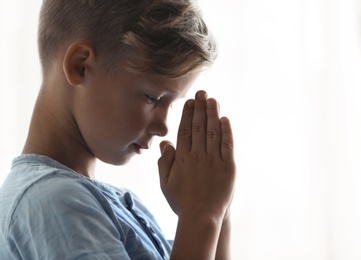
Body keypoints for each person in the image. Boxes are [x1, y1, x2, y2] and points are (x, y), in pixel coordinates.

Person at [0, 0, 236, 259]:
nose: (163, 127)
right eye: (152, 97)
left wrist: (218, 213)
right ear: (81, 66)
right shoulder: (52, 202)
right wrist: (201, 214)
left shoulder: (105, 205)